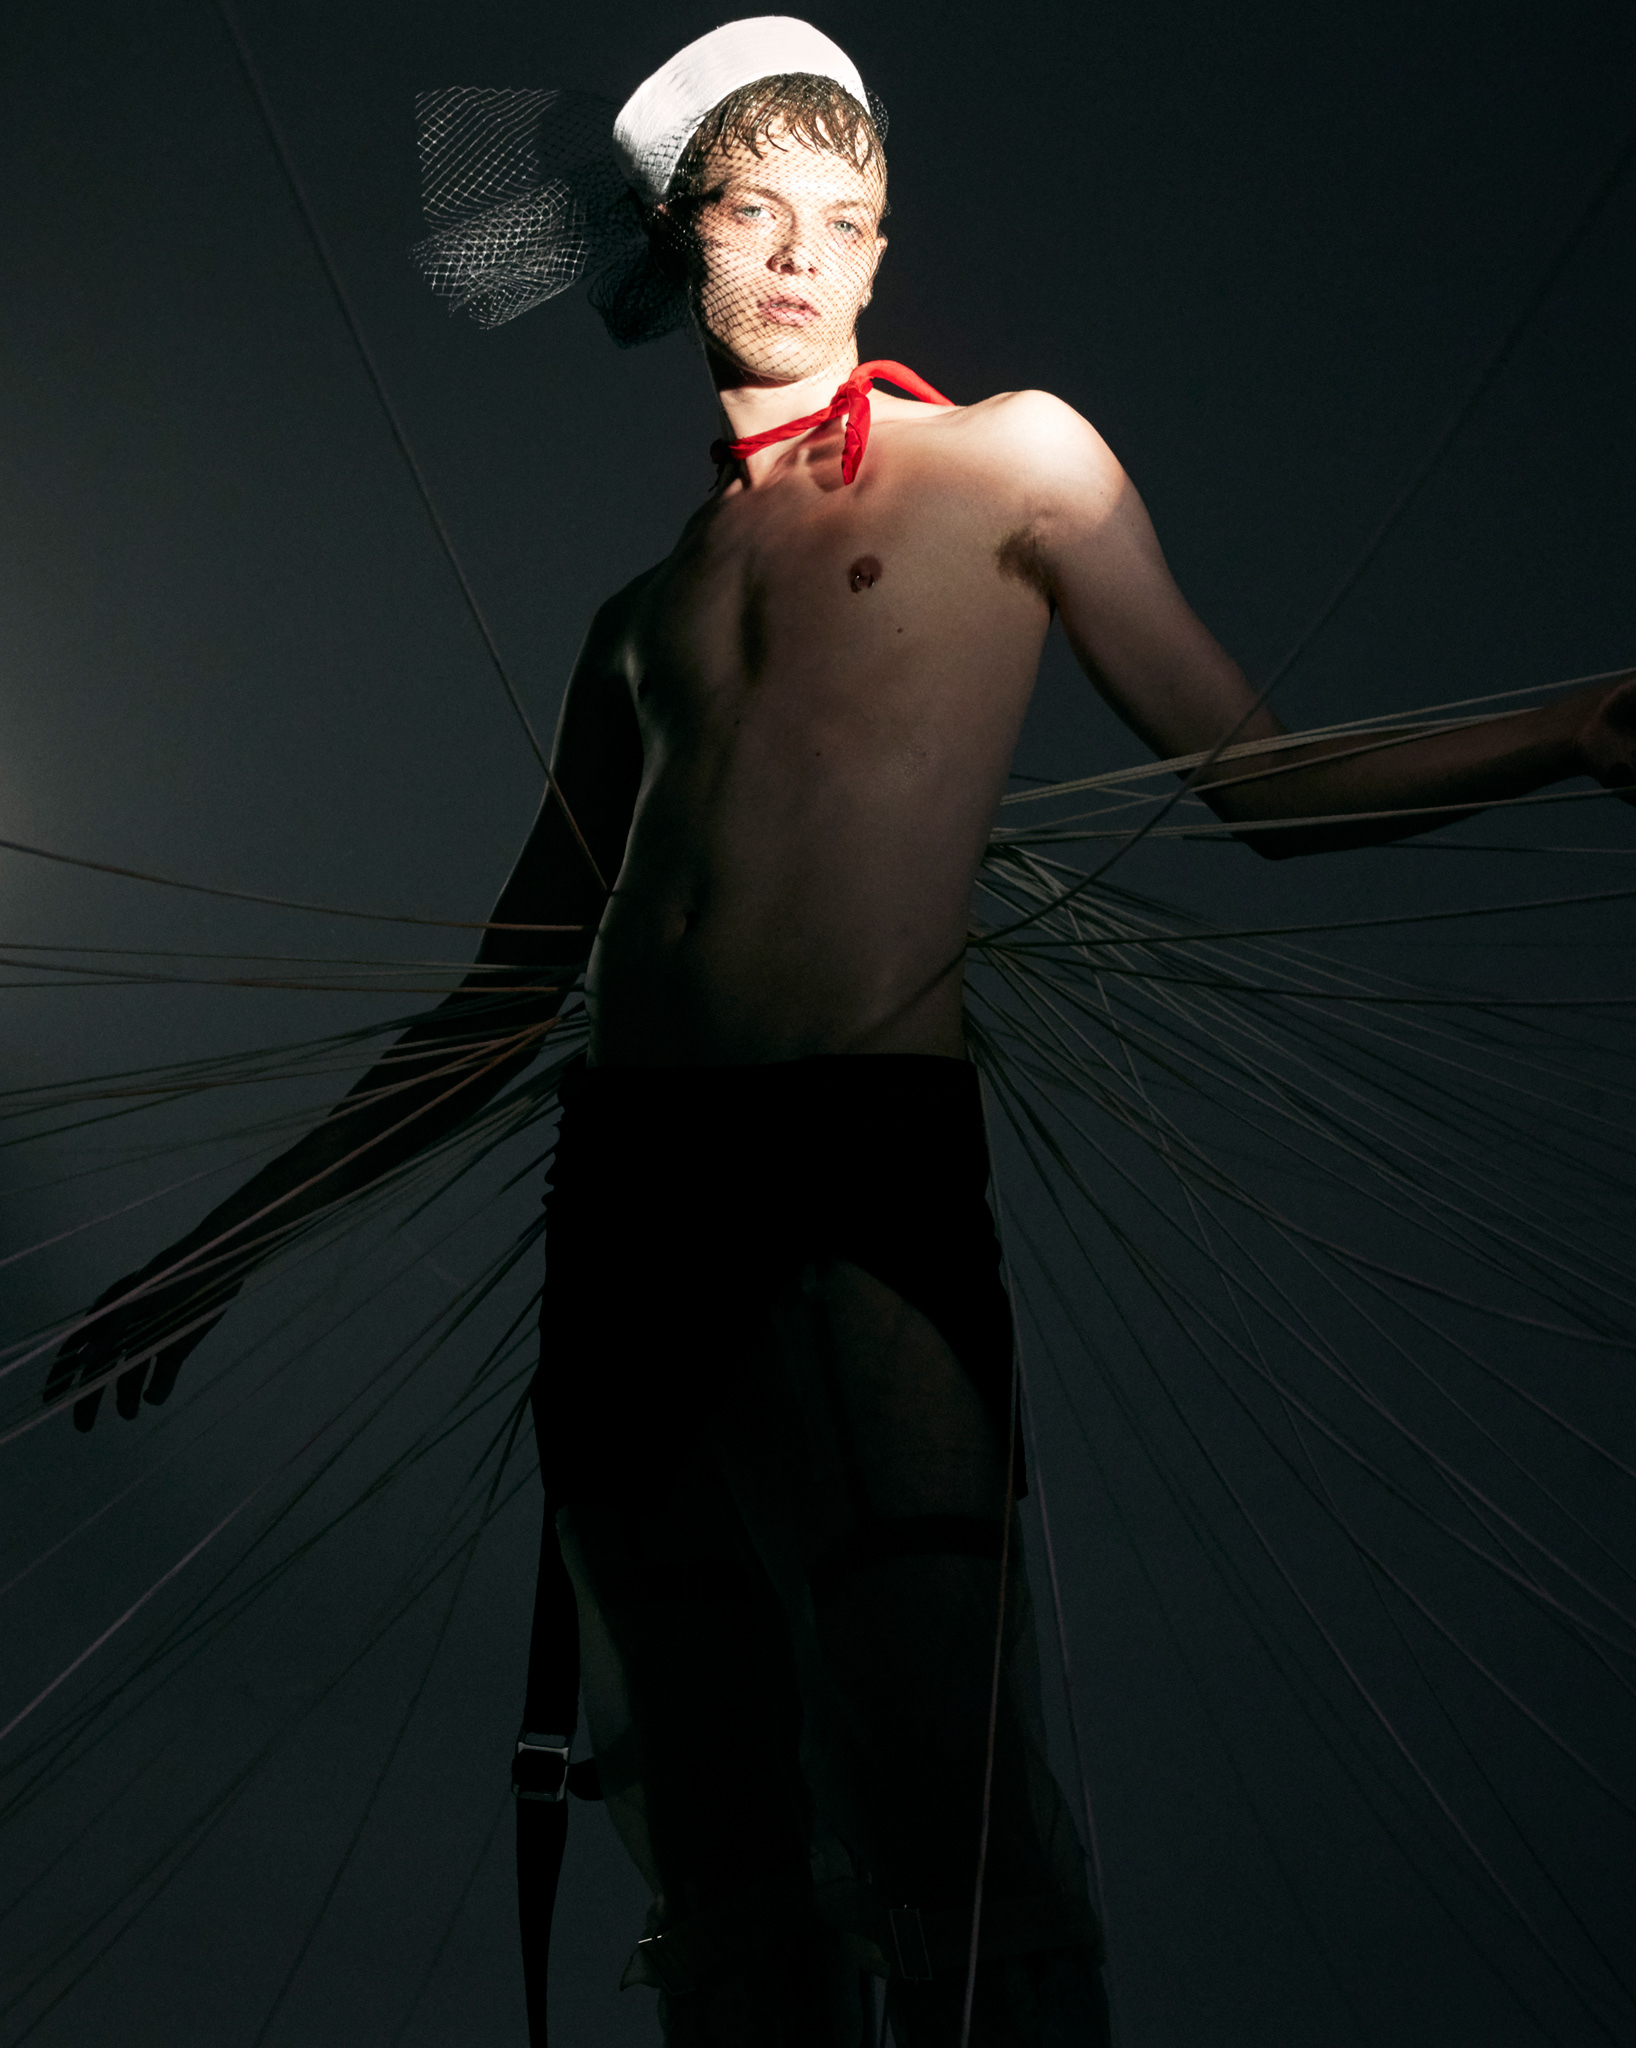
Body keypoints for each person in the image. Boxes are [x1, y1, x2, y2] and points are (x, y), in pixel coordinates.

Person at [48, 19, 1636, 2045]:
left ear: (885, 251)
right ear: (678, 239)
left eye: (848, 219)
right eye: (757, 210)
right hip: (626, 1193)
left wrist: (1566, 731)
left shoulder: (1014, 462)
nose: (804, 256)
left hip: (862, 1156)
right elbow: (496, 1006)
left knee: (949, 1805)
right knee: (708, 1835)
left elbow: (1259, 782)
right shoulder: (636, 622)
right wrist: (224, 1243)